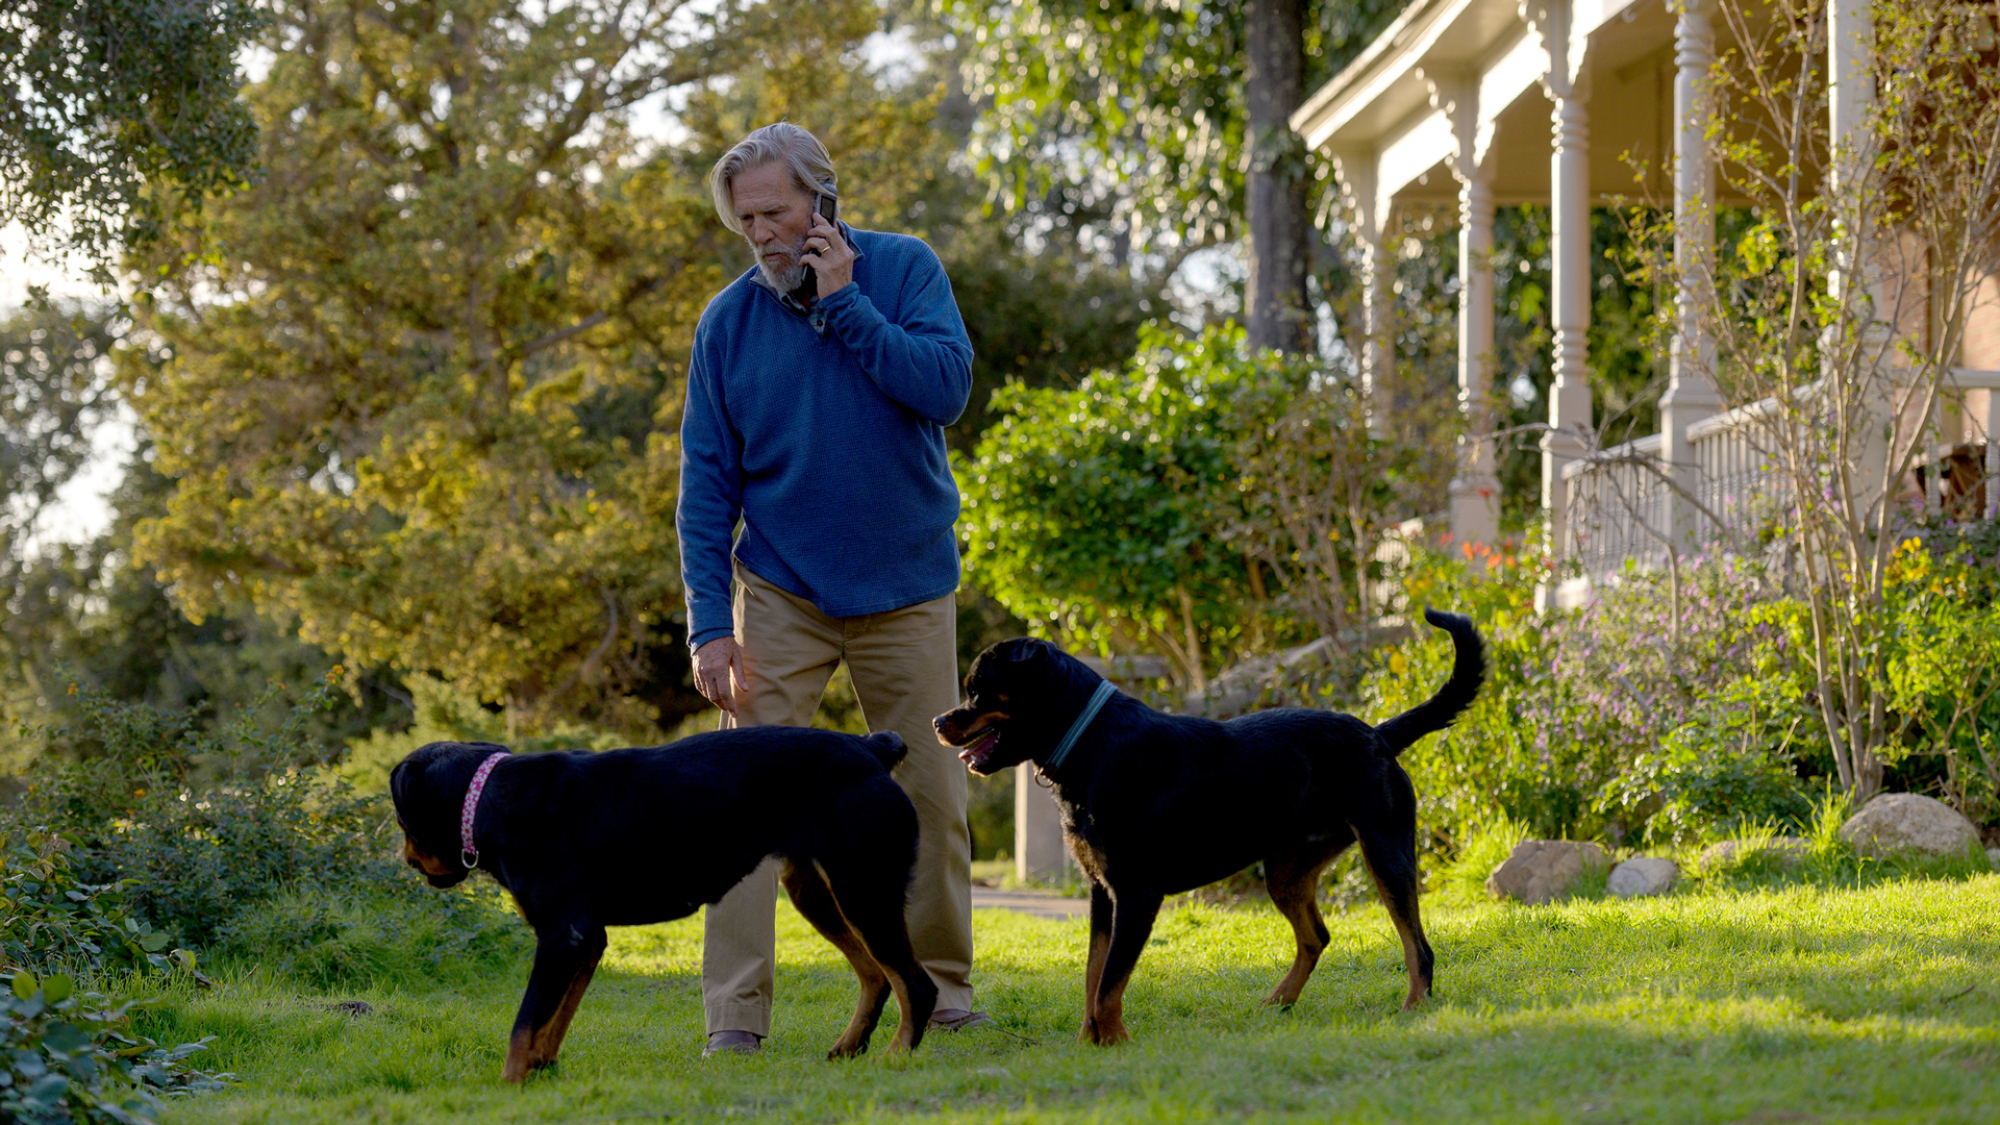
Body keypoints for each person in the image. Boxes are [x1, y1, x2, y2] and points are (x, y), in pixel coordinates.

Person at [676, 122, 985, 1056]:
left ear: (823, 202)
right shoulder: (727, 323)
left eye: (774, 212)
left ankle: (944, 991)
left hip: (906, 584)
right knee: (742, 803)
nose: (761, 233)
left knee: (932, 793)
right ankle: (736, 1014)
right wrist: (706, 625)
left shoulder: (905, 269)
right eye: (746, 220)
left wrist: (846, 303)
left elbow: (945, 389)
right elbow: (704, 485)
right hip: (780, 588)